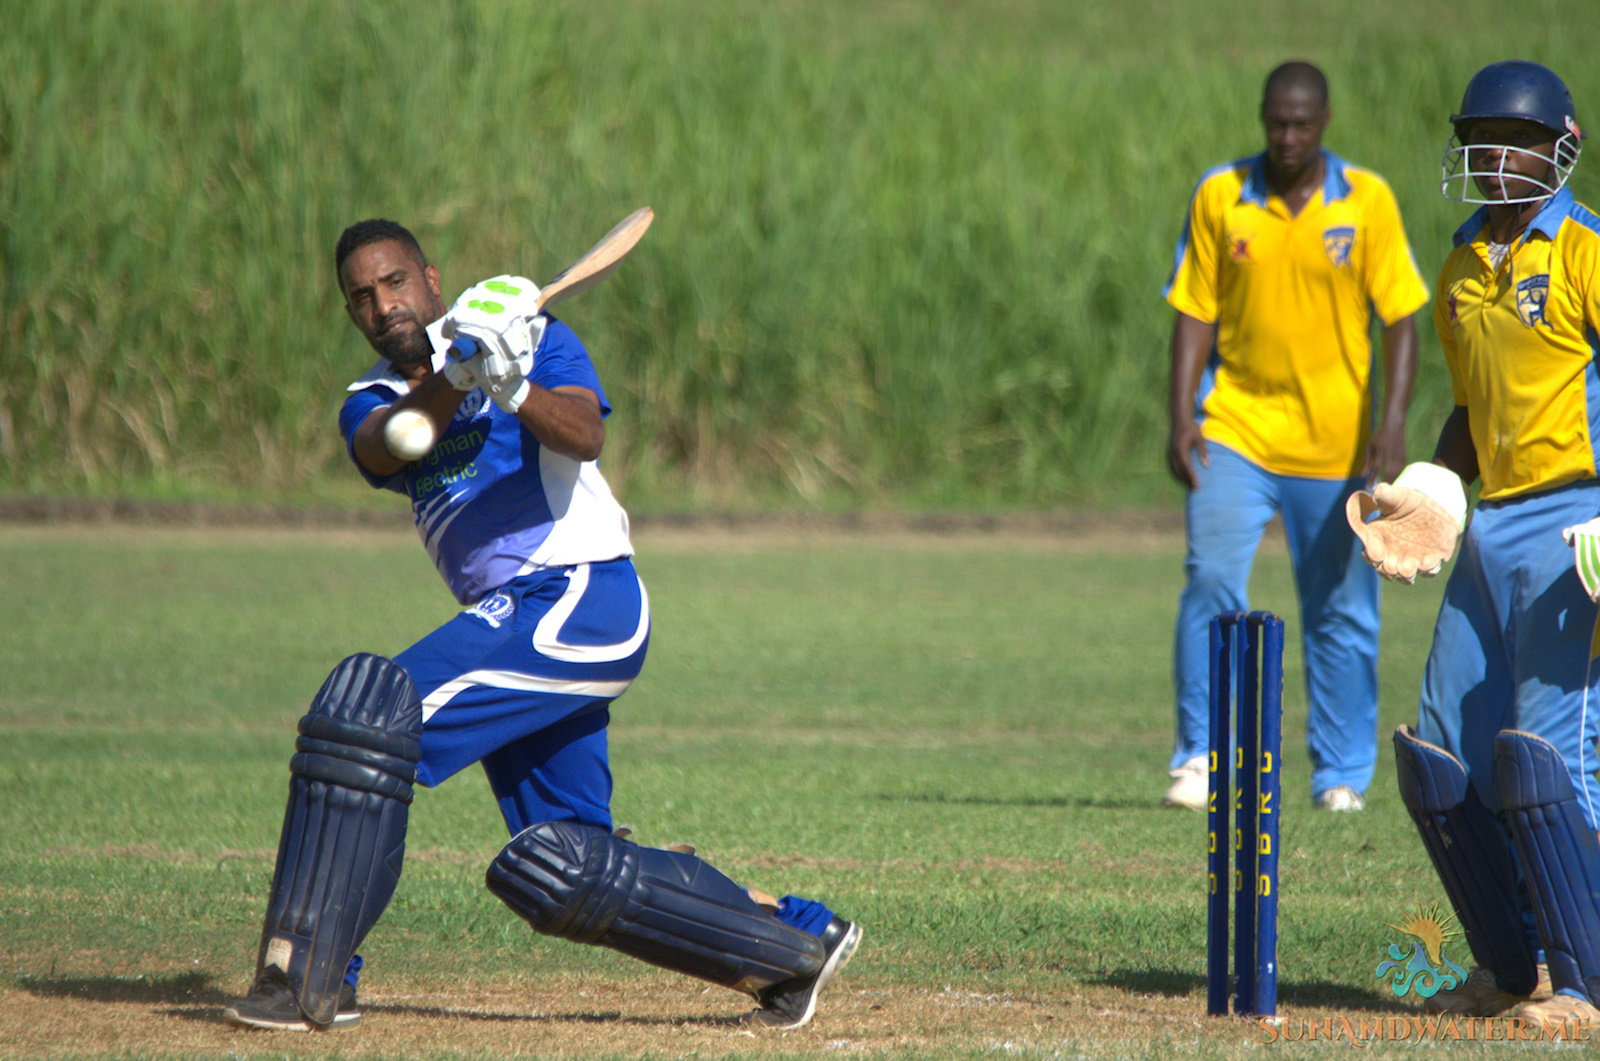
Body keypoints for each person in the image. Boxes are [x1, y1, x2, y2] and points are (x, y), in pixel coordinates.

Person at [221, 219, 861, 1033]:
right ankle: (793, 941)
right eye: (360, 296)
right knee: (565, 866)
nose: (381, 306)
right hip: (522, 625)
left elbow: (586, 435)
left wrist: (513, 383)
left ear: (431, 279)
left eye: (393, 284)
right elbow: (400, 443)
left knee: (366, 720)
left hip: (579, 595)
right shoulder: (373, 399)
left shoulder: (537, 334)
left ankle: (306, 974)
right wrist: (464, 369)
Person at [1354, 61, 1600, 1024]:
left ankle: (1585, 980)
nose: (1493, 157)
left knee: (1552, 752)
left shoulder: (1582, 250)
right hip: (1491, 523)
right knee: (1445, 748)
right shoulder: (1461, 266)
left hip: (1576, 521)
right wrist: (1432, 488)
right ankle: (1511, 966)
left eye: (1515, 139)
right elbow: (1468, 408)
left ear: (1560, 148)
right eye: (1479, 140)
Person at [1161, 61, 1429, 813]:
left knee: (1341, 608)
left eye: (1301, 124)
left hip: (1336, 444)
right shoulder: (1221, 195)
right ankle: (1200, 755)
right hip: (1235, 429)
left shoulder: (1366, 201)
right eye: (1275, 122)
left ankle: (1340, 773)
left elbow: (1402, 316)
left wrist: (1393, 422)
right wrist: (1182, 413)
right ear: (1261, 118)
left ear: (1324, 124)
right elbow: (1194, 310)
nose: (1286, 136)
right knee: (1210, 577)